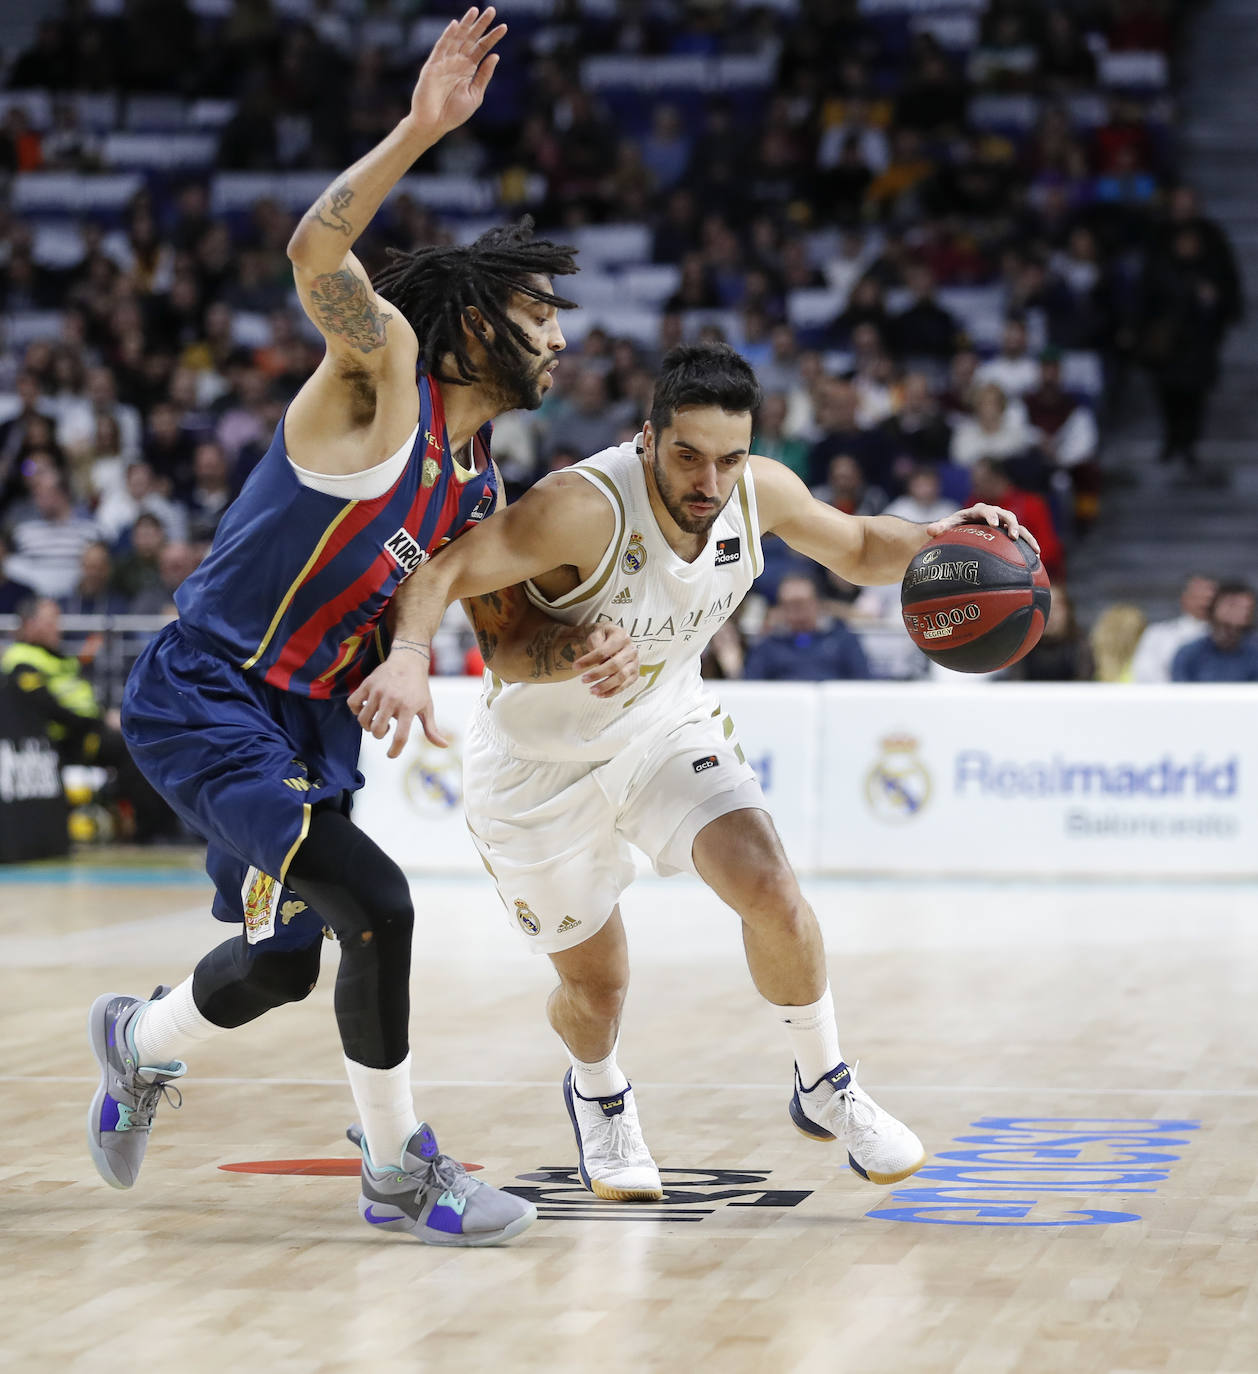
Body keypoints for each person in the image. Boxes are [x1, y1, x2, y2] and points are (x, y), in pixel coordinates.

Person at [84, 11, 636, 1250]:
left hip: (313, 723)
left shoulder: (484, 484)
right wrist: (423, 127)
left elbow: (496, 635)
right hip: (208, 687)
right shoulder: (376, 366)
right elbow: (314, 243)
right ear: (480, 316)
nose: (561, 334)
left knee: (287, 963)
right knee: (376, 902)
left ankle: (137, 1039)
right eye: (540, 311)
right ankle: (399, 1176)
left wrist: (582, 652)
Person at [350, 343, 1037, 1202]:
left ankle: (824, 1085)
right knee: (596, 988)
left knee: (771, 887)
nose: (709, 480)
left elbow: (862, 546)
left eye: (729, 457)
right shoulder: (578, 507)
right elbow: (447, 570)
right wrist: (413, 655)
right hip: (538, 768)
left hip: (663, 726)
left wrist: (941, 540)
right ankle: (598, 1093)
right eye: (687, 456)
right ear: (648, 439)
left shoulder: (759, 492)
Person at [1, 596, 173, 839]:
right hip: (65, 741)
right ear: (29, 625)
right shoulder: (21, 660)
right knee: (132, 750)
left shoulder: (57, 657)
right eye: (50, 621)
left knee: (151, 739)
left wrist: (107, 715)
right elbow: (49, 709)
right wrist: (98, 722)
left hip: (89, 730)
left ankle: (144, 819)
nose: (57, 627)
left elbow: (83, 698)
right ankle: (147, 831)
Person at [744, 574, 871, 681]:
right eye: (789, 604)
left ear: (816, 603)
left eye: (801, 603)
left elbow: (863, 682)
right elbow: (751, 686)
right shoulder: (768, 645)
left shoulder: (843, 640)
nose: (796, 610)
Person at [1131, 573, 1217, 683]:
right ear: (1184, 598)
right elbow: (1145, 674)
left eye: (1210, 598)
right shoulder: (1158, 635)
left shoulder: (1229, 640)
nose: (1204, 603)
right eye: (1198, 597)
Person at [1171, 582, 1258, 682]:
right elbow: (1180, 692)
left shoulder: (1254, 653)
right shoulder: (1189, 653)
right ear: (1214, 607)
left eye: (1246, 607)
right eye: (1233, 605)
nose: (1241, 612)